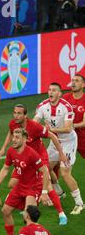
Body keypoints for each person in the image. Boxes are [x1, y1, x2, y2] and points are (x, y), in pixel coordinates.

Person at [0, 104, 68, 225]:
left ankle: (61, 214)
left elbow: (52, 136)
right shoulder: (13, 124)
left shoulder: (34, 126)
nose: (16, 115)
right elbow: (11, 133)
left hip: (38, 156)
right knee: (12, 183)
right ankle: (32, 200)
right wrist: (3, 148)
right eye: (15, 112)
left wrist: (61, 153)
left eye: (19, 113)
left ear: (25, 115)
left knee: (47, 184)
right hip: (25, 158)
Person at [0, 128, 55, 235]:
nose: (14, 140)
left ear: (25, 139)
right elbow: (5, 168)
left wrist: (44, 192)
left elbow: (44, 171)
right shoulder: (11, 151)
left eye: (17, 137)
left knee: (28, 216)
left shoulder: (31, 153)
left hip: (33, 188)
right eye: (13, 137)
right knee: (5, 210)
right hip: (21, 186)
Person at [34, 82, 83, 215]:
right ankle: (59, 192)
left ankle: (79, 203)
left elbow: (68, 128)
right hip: (54, 142)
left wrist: (48, 130)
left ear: (59, 94)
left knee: (65, 172)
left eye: (54, 90)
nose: (50, 92)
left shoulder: (66, 107)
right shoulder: (42, 106)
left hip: (68, 142)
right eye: (49, 89)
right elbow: (35, 123)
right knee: (46, 167)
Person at [63, 74, 85, 160]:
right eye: (72, 80)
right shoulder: (65, 98)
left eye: (77, 81)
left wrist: (71, 126)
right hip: (67, 137)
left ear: (83, 85)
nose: (73, 83)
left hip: (82, 137)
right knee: (59, 162)